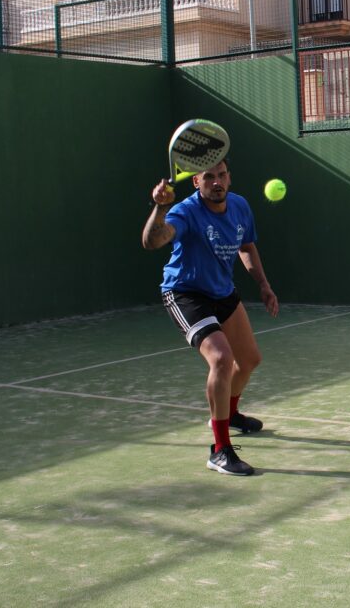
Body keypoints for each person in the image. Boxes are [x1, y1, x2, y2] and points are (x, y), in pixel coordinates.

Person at [142, 160, 279, 476]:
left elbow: (247, 246)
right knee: (221, 358)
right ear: (196, 183)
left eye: (222, 175)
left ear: (229, 177)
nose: (216, 182)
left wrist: (263, 284)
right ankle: (220, 450)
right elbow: (153, 241)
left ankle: (228, 414)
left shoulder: (240, 206)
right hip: (186, 293)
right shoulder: (185, 212)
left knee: (249, 361)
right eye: (208, 177)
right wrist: (160, 208)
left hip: (222, 291)